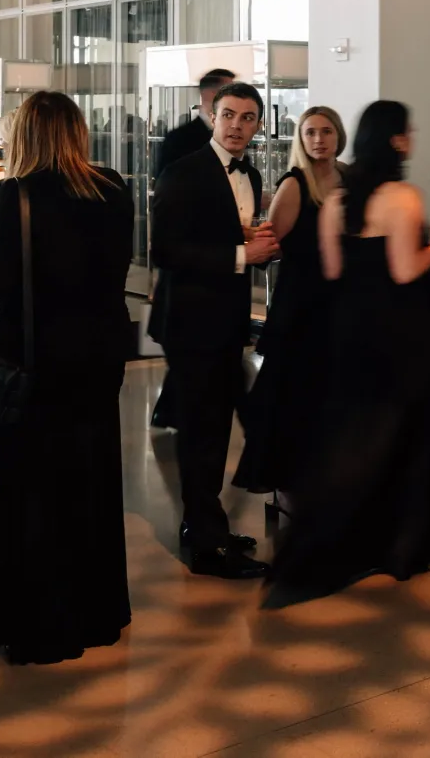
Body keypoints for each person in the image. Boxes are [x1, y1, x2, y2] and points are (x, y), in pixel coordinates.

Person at [264, 101, 430, 608]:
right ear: (397, 140)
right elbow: (405, 271)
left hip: (350, 332)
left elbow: (334, 269)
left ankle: (349, 541)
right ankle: (406, 545)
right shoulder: (403, 198)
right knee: (412, 437)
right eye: (410, 131)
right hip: (401, 334)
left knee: (357, 441)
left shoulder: (337, 199)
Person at [0, 92, 133, 664]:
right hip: (97, 358)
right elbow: (115, 269)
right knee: (91, 482)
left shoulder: (11, 194)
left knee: (34, 491)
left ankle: (43, 620)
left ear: (25, 135)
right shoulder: (113, 189)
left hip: (35, 362)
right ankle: (98, 610)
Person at [149, 81, 276, 579]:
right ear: (212, 116)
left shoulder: (251, 172)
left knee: (214, 429)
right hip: (191, 323)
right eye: (229, 116)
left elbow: (213, 232)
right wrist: (245, 254)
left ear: (260, 123)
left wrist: (249, 240)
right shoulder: (184, 172)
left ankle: (203, 525)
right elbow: (167, 252)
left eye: (248, 118)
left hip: (224, 319)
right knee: (204, 433)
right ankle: (206, 545)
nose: (238, 126)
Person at [235, 106, 347, 499]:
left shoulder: (349, 178)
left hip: (340, 303)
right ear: (301, 138)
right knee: (294, 395)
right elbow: (272, 245)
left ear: (339, 136)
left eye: (326, 131)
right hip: (302, 303)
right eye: (311, 132)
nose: (319, 139)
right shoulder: (295, 183)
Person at [148, 68, 238, 431]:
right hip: (188, 279)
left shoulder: (241, 161)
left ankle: (170, 412)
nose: (236, 124)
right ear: (211, 100)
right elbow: (171, 225)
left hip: (218, 290)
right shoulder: (181, 141)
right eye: (230, 109)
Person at [154, 69, 238, 178]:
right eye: (229, 93)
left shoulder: (235, 134)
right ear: (209, 94)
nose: (235, 99)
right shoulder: (179, 139)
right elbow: (165, 185)